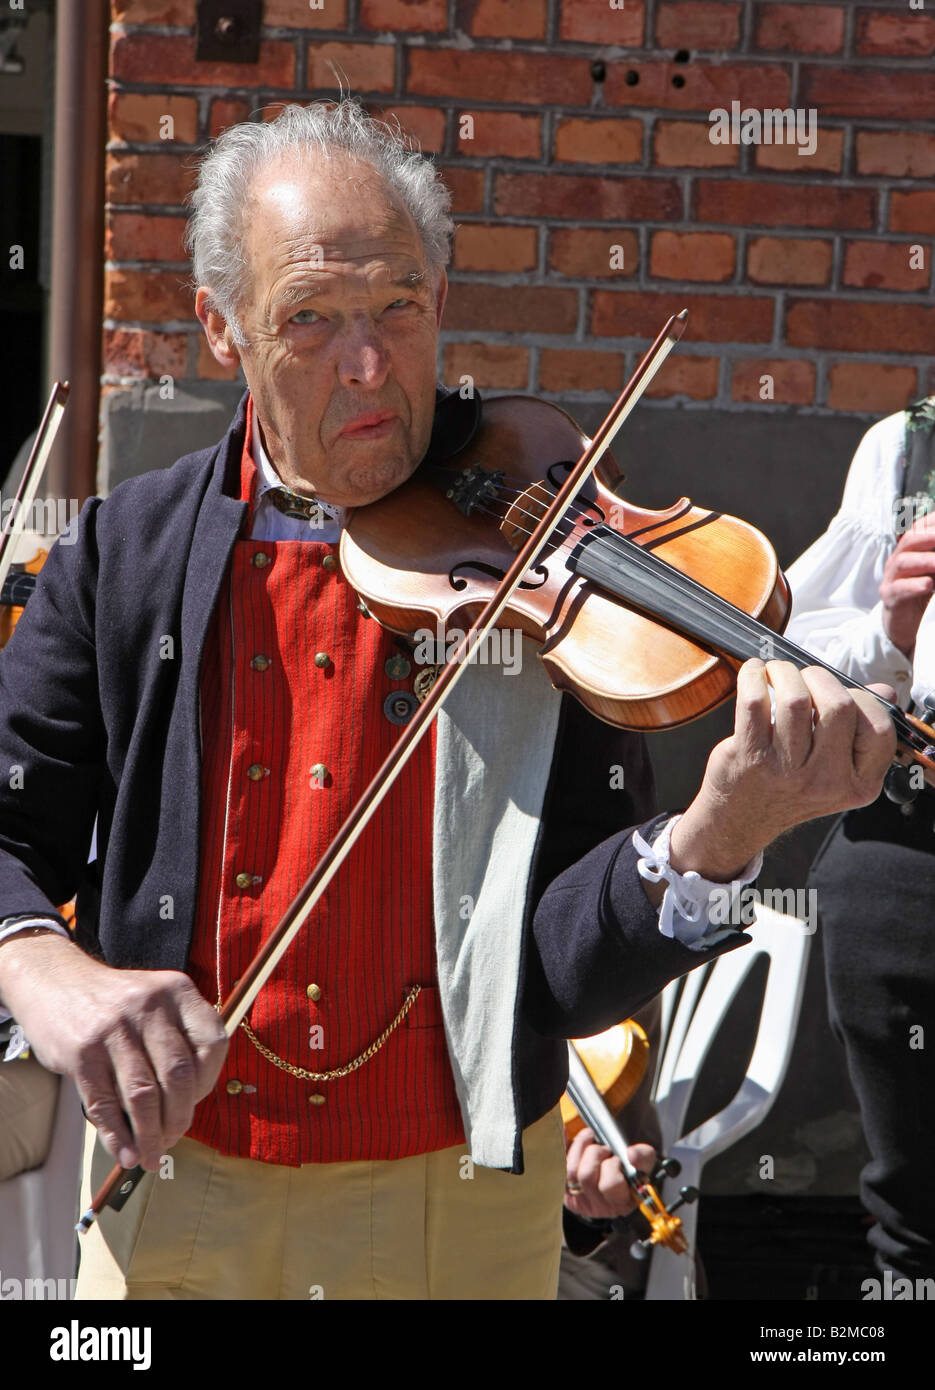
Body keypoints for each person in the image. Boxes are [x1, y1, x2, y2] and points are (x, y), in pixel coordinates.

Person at [0, 101, 896, 1301]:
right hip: (176, 1184)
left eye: (398, 309)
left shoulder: (543, 551)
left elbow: (565, 965)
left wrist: (715, 835)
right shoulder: (126, 552)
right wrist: (42, 966)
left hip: (464, 1202)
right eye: (309, 319)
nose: (368, 366)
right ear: (220, 327)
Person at [785, 395, 935, 1285]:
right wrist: (890, 629)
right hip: (908, 856)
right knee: (914, 1217)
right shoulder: (907, 448)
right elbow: (787, 645)